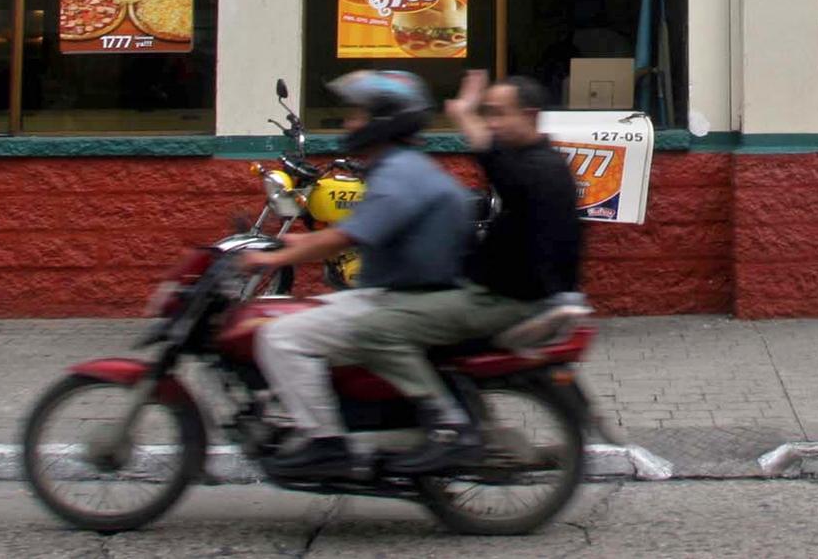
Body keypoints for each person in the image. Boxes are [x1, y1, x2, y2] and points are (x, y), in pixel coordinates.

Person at [343, 70, 585, 475]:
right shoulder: (540, 162)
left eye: (500, 114)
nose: (492, 122)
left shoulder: (541, 169)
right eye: (487, 114)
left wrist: (463, 115)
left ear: (532, 116)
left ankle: (447, 426)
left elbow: (499, 169)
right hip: (498, 293)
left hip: (503, 301)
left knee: (374, 329)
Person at [245, 69, 472, 478]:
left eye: (359, 115)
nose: (350, 124)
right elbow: (354, 233)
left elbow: (344, 237)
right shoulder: (397, 166)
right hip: (401, 291)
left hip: (408, 299)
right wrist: (289, 246)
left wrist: (272, 260)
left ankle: (326, 442)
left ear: (385, 121)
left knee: (281, 336)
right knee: (307, 310)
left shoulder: (399, 172)